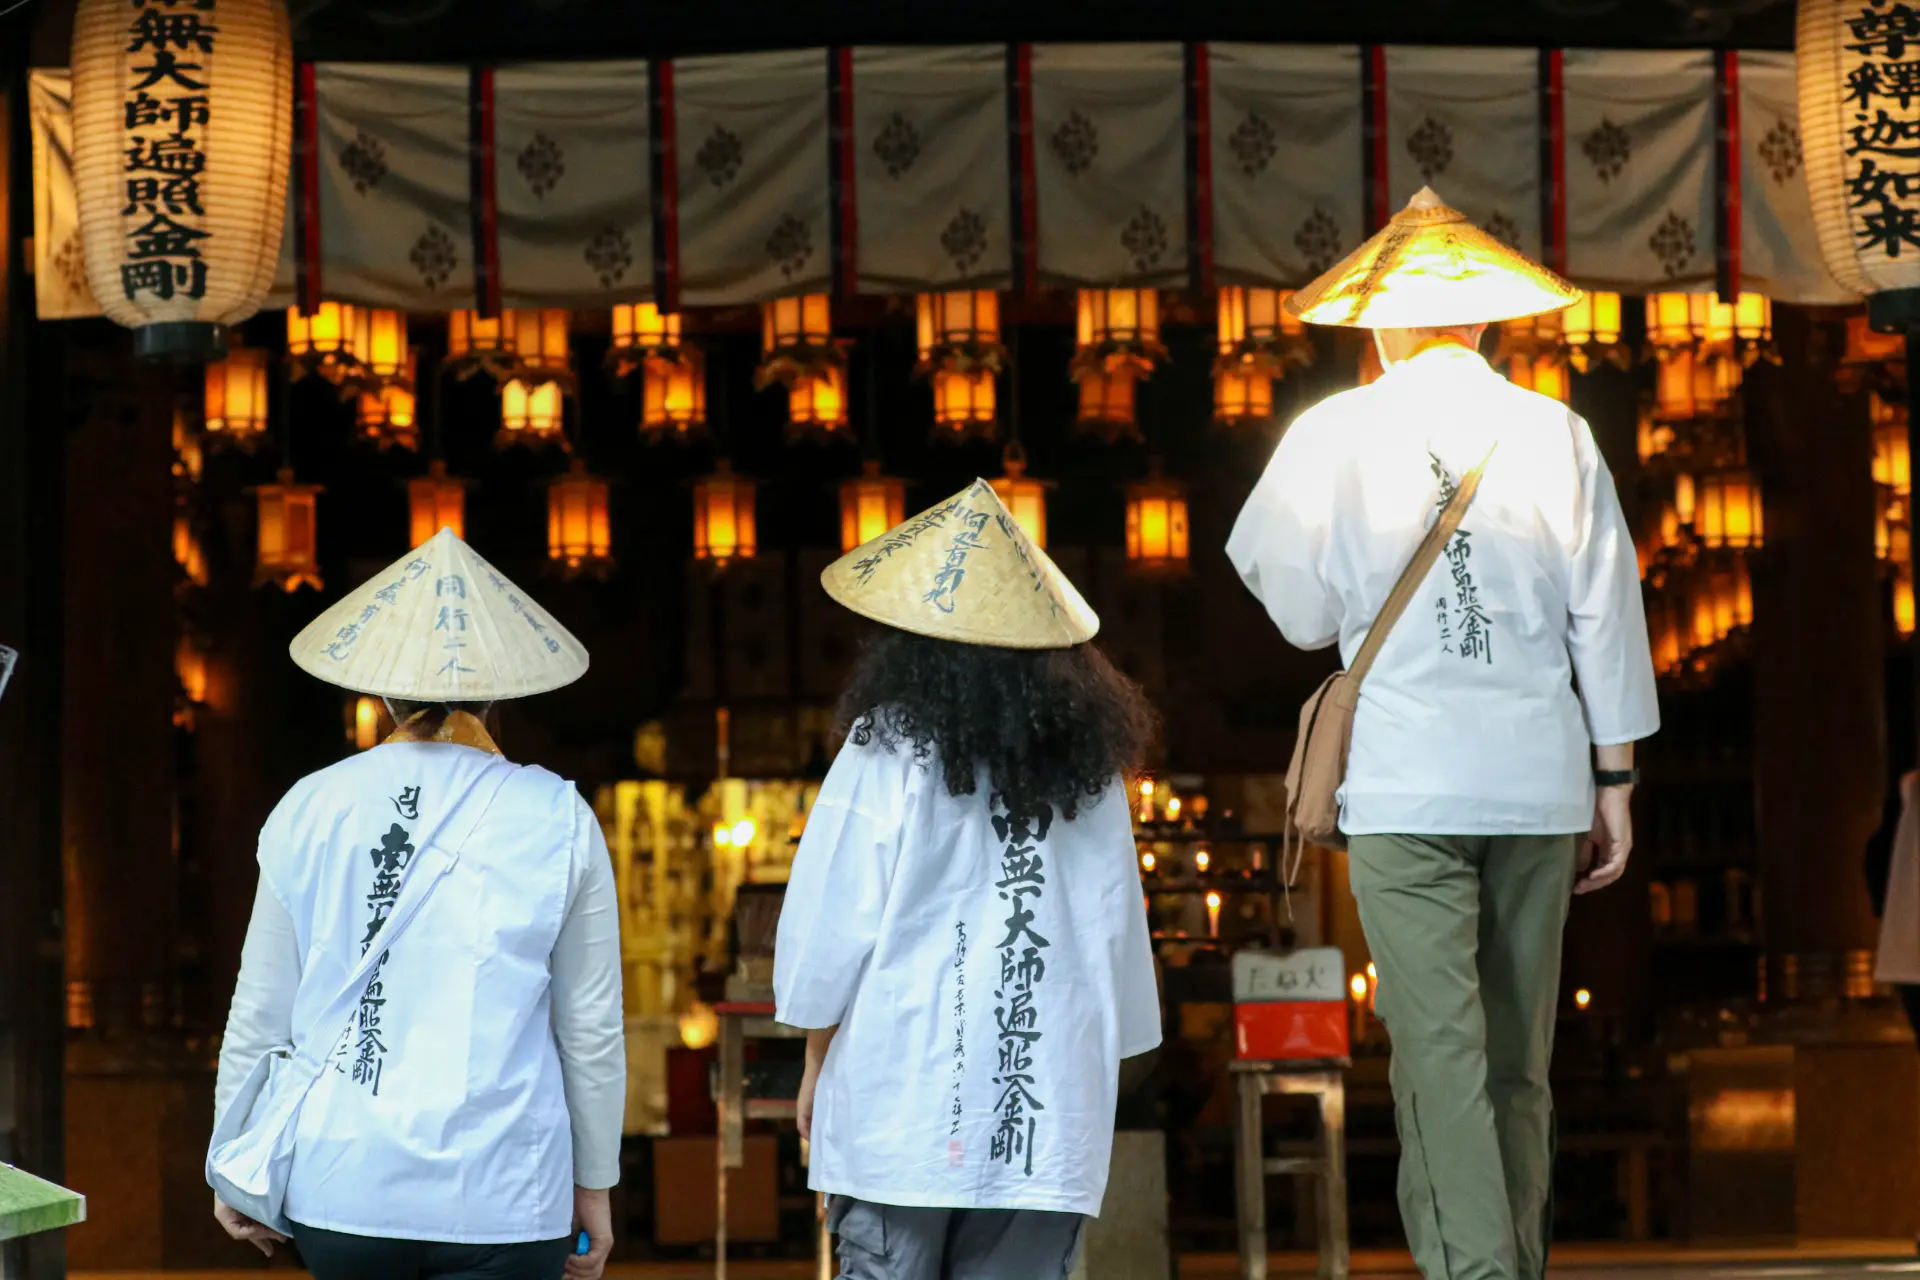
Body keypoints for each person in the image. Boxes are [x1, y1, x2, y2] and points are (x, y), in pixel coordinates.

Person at [1226, 188, 1660, 1280]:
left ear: (1381, 327)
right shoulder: (1558, 431)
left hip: (1406, 786)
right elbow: (1608, 614)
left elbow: (1297, 615)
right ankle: (1496, 1259)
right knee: (1520, 1062)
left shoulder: (1330, 432)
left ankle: (1478, 1271)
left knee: (1439, 1054)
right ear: (1483, 323)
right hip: (1539, 781)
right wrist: (1616, 781)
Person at [209, 528, 624, 1280]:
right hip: (506, 1189)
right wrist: (594, 1184)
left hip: (342, 1183)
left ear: (383, 689)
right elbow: (589, 1026)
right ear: (498, 688)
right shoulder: (558, 815)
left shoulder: (311, 804)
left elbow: (260, 1007)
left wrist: (229, 1153)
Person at [775, 481, 1162, 1280]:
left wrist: (815, 1060)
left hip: (899, 1104)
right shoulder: (1092, 769)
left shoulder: (887, 743)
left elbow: (828, 929)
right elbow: (1118, 946)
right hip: (1041, 1112)